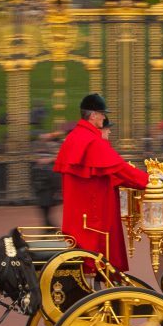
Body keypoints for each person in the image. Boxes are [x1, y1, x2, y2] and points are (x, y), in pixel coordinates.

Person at [54, 93, 150, 274]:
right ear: (92, 115)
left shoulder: (78, 136)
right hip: (93, 218)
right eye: (102, 114)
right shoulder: (91, 140)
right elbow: (120, 168)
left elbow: (104, 173)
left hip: (83, 215)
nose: (104, 117)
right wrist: (149, 180)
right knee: (96, 260)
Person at [30, 133, 62, 227]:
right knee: (45, 214)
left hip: (47, 193)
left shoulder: (48, 168)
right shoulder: (37, 167)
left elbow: (55, 181)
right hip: (42, 193)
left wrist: (57, 191)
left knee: (46, 214)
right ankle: (50, 228)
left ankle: (50, 228)